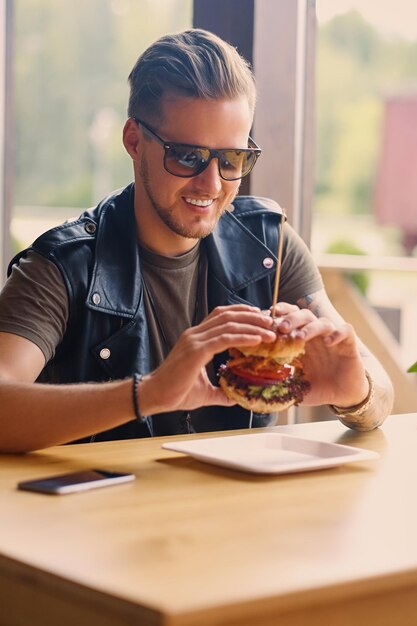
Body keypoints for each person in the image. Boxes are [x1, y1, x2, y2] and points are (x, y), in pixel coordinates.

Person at [0, 28, 393, 453]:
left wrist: (356, 393)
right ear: (134, 141)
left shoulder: (270, 244)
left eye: (232, 159)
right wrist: (147, 393)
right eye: (187, 156)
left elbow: (378, 393)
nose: (211, 183)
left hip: (241, 514)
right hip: (100, 514)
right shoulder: (62, 266)